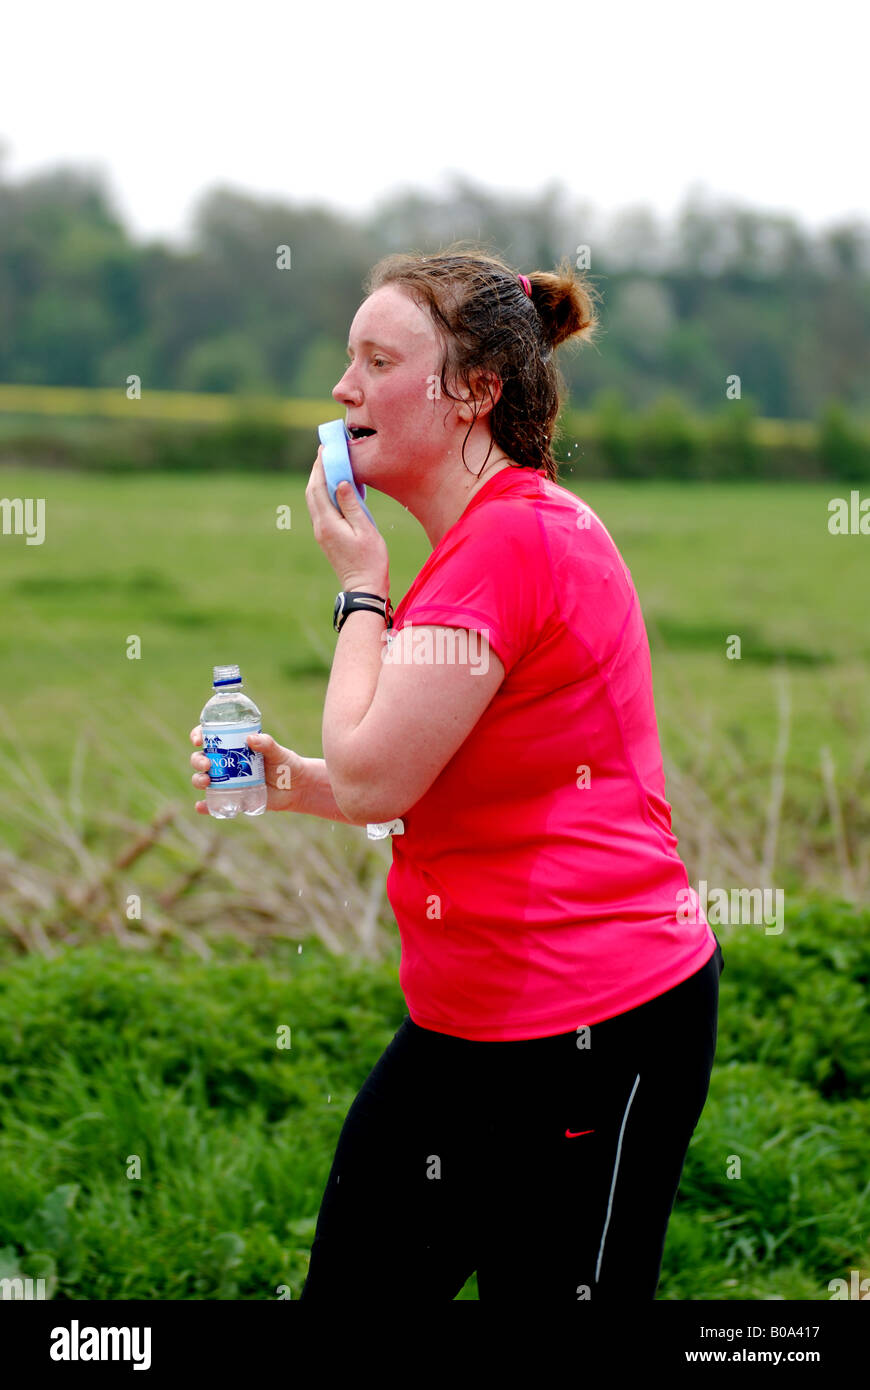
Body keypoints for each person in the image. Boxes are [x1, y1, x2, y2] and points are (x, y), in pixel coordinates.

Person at [189, 244, 724, 1302]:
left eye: (378, 360)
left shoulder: (511, 545)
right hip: (463, 1027)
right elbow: (418, 767)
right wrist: (294, 780)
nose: (344, 388)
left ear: (477, 392)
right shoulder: (488, 542)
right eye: (348, 358)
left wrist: (358, 589)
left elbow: (381, 774)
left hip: (597, 1027)